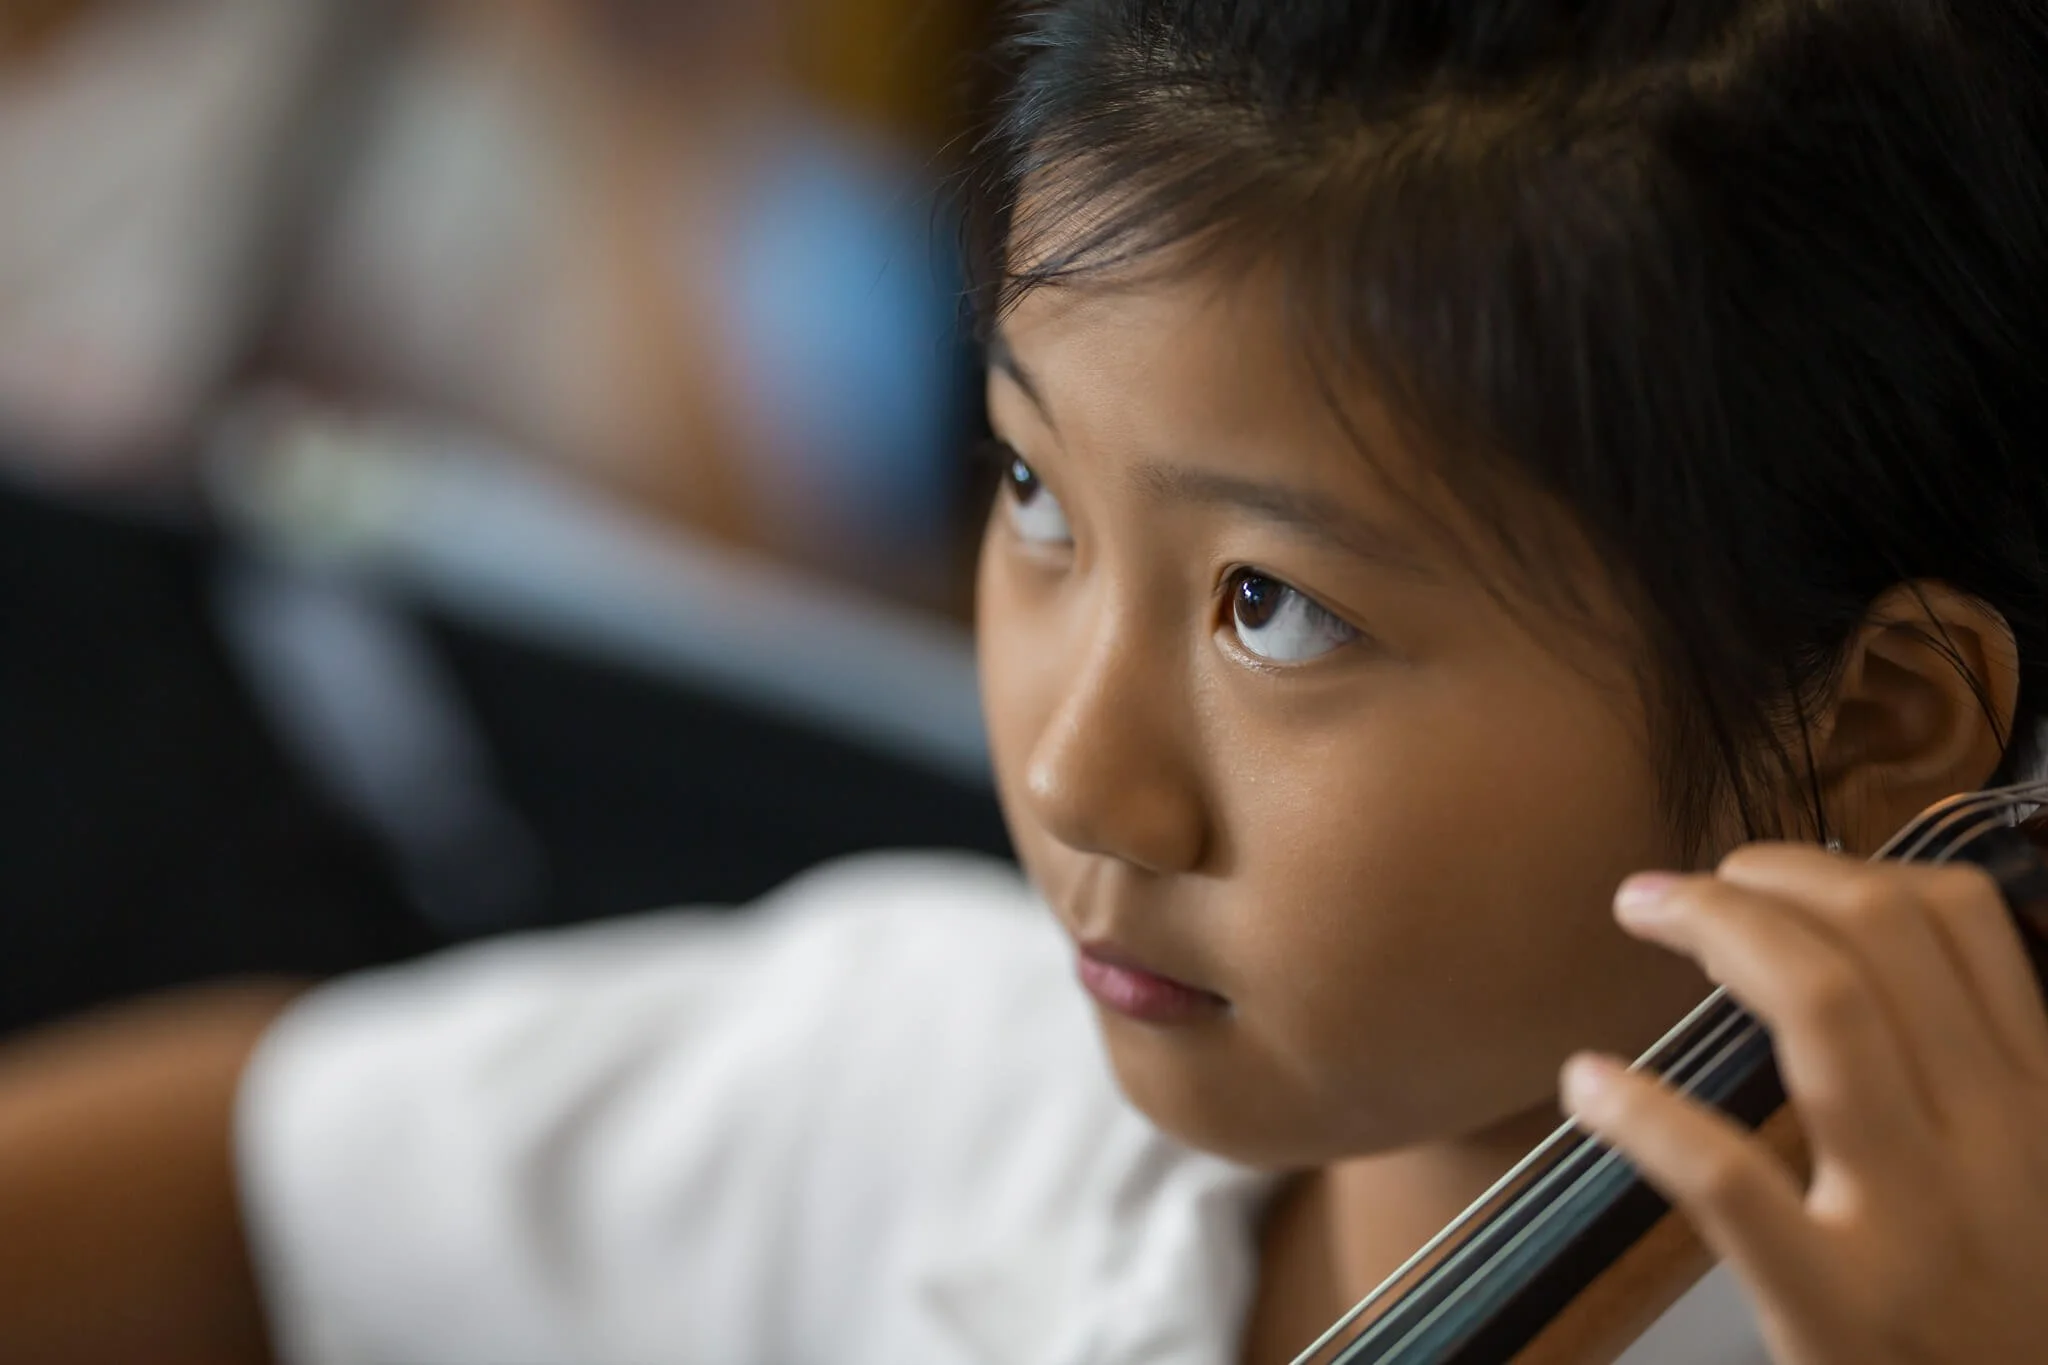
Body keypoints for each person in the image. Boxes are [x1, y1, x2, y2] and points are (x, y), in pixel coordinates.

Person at [4, 0, 2048, 1361]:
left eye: (1276, 609)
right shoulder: (953, 1092)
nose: (1077, 773)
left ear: (1866, 731)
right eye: (1032, 491)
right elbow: (248, 1175)